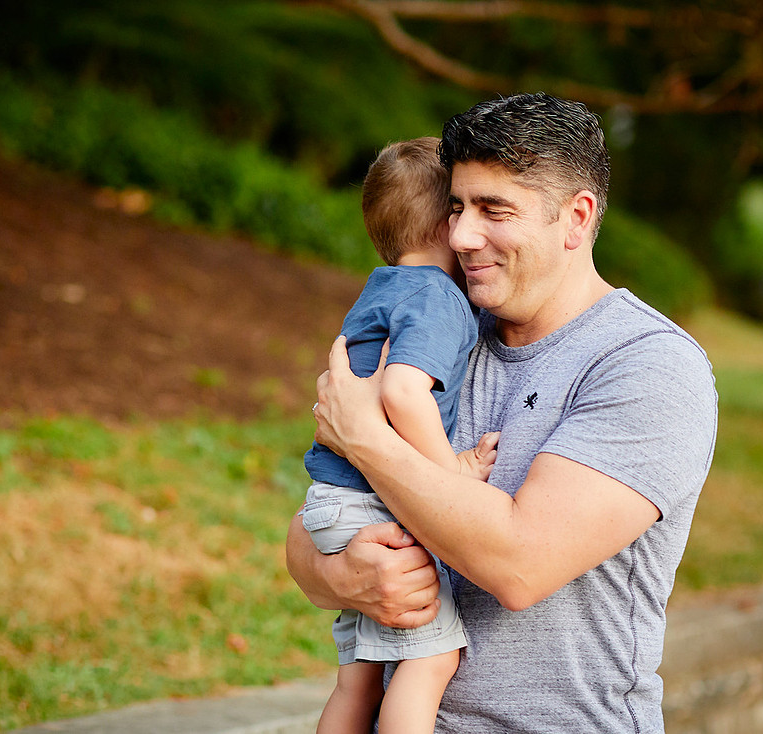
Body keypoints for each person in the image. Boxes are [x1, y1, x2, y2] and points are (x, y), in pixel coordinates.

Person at [289, 93, 719, 733]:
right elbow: (309, 527)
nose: (461, 235)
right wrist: (341, 574)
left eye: (494, 210)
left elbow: (518, 566)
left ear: (575, 218)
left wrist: (366, 438)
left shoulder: (649, 369)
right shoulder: (441, 333)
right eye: (456, 206)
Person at [302, 137, 499, 734]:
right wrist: (453, 471)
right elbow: (404, 392)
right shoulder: (437, 297)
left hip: (332, 504)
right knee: (433, 658)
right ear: (449, 224)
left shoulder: (382, 287)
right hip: (373, 508)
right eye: (465, 210)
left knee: (358, 678)